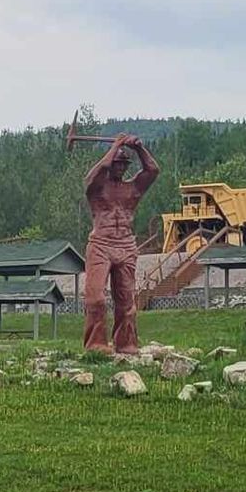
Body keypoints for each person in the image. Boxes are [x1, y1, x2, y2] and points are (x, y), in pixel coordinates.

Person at [82, 133, 159, 354]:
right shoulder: (97, 187)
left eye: (123, 164)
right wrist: (115, 146)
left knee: (126, 302)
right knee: (95, 298)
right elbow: (91, 176)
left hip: (125, 245)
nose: (120, 168)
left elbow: (153, 171)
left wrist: (139, 149)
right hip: (101, 244)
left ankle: (126, 344)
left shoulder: (133, 187)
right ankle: (95, 344)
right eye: (117, 163)